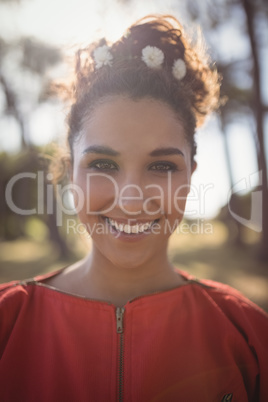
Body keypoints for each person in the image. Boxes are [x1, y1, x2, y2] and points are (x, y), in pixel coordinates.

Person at [0, 15, 267, 402]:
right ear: (69, 172)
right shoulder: (8, 323)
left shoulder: (248, 334)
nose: (130, 198)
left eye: (161, 166)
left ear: (189, 175)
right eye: (103, 165)